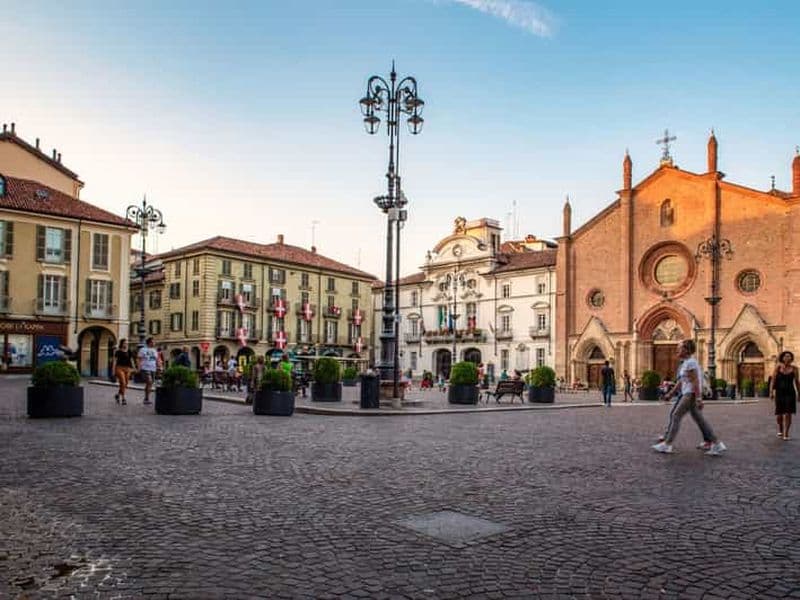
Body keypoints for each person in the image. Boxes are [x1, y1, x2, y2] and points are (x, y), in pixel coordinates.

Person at [653, 339, 727, 456]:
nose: (677, 350)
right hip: (689, 393)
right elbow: (681, 382)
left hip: (690, 394)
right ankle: (716, 443)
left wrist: (698, 398)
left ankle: (667, 444)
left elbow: (695, 381)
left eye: (680, 348)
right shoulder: (686, 363)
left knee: (676, 415)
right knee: (699, 420)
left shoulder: (691, 363)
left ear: (687, 350)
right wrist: (670, 394)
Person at [769, 350, 798, 441]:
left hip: (790, 393)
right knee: (779, 415)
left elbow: (797, 382)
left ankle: (786, 433)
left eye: (789, 356)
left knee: (788, 413)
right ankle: (781, 428)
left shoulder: (795, 369)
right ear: (782, 358)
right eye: (786, 356)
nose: (787, 358)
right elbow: (773, 380)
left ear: (791, 358)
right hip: (779, 393)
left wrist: (799, 393)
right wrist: (771, 391)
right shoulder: (778, 368)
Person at [111, 339, 135, 405]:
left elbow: (131, 360)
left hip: (127, 368)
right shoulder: (118, 352)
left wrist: (134, 368)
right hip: (119, 368)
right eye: (125, 343)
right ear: (122, 344)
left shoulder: (129, 351)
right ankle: (123, 398)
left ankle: (118, 395)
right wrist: (113, 370)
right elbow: (115, 361)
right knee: (123, 382)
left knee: (125, 384)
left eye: (127, 343)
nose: (126, 344)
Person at [137, 337, 159, 405]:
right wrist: (139, 367)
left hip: (153, 368)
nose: (154, 343)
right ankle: (146, 398)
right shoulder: (143, 349)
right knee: (149, 381)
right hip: (145, 368)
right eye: (153, 342)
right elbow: (138, 359)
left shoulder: (155, 350)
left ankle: (146, 398)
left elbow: (157, 360)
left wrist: (159, 366)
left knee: (150, 384)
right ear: (149, 342)